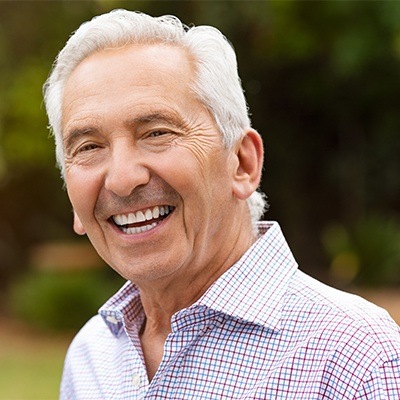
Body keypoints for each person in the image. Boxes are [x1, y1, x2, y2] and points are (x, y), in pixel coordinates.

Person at [43, 9, 400, 399]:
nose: (123, 179)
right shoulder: (92, 354)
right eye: (90, 147)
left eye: (157, 132)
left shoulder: (359, 360)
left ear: (243, 163)